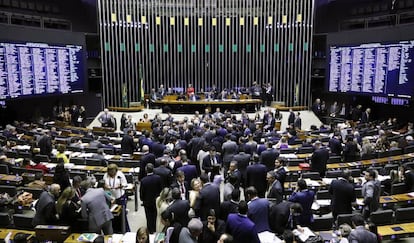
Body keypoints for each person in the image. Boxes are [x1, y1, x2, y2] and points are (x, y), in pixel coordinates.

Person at [140, 163, 163, 234]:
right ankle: (155, 228)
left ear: (146, 170)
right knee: (155, 215)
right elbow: (160, 189)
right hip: (156, 200)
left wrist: (142, 199)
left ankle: (150, 230)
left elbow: (142, 192)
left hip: (147, 201)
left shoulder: (143, 180)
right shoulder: (158, 178)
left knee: (148, 216)